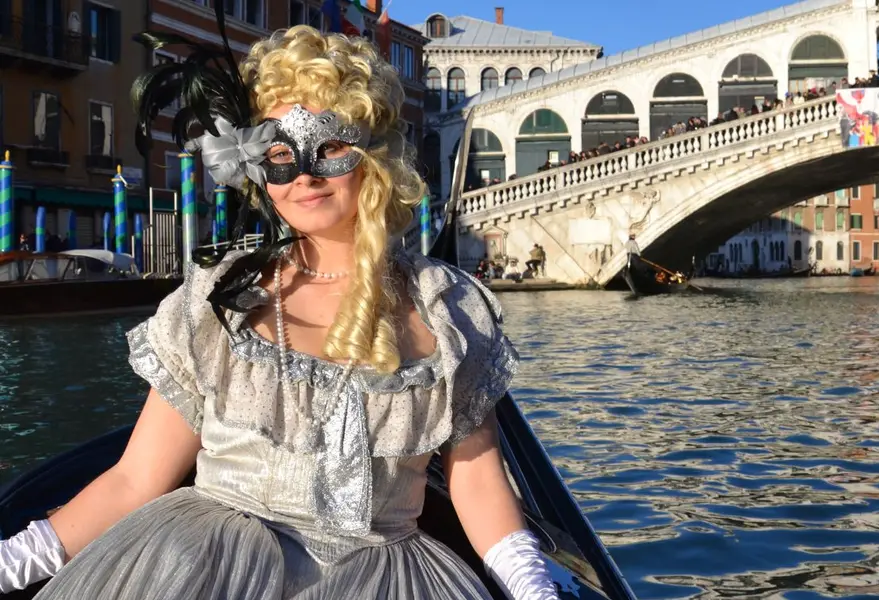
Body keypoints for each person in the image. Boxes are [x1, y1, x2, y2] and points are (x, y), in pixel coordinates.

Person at [0, 22, 558, 600]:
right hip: (202, 569)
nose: (305, 176)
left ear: (374, 158)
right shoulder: (222, 300)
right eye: (280, 154)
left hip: (385, 577)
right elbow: (134, 479)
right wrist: (11, 560)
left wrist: (533, 587)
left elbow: (478, 482)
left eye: (331, 147)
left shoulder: (446, 309)